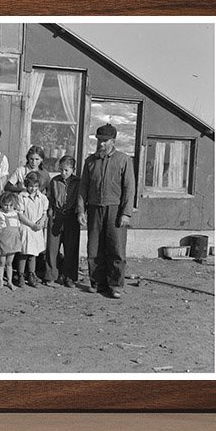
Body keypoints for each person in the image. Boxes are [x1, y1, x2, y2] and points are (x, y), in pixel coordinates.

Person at [78, 123, 136, 299]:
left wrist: (126, 213)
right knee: (94, 248)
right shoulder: (90, 161)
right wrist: (81, 210)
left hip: (115, 210)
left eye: (104, 141)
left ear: (113, 141)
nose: (101, 144)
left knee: (116, 248)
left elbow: (129, 188)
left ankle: (116, 285)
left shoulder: (123, 160)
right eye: (99, 140)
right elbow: (83, 187)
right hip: (95, 209)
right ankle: (97, 283)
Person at [46, 155, 80, 286]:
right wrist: (50, 210)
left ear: (73, 169)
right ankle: (51, 275)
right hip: (57, 215)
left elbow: (81, 199)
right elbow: (49, 198)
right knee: (52, 247)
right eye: (61, 170)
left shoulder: (78, 182)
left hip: (71, 216)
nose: (63, 173)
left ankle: (69, 276)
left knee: (71, 247)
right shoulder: (55, 181)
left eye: (66, 170)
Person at [16, 171, 49, 287]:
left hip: (37, 228)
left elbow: (45, 213)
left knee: (33, 254)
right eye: (30, 186)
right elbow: (20, 214)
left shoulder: (42, 198)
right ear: (26, 185)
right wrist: (31, 224)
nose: (33, 189)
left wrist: (41, 221)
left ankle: (31, 274)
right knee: (24, 253)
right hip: (26, 227)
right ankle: (20, 274)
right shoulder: (22, 197)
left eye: (36, 186)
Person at [0, 192, 23, 290]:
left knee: (9, 263)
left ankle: (9, 281)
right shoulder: (0, 213)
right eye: (6, 205)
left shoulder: (16, 213)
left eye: (10, 205)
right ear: (2, 204)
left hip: (13, 241)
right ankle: (1, 281)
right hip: (3, 241)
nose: (8, 207)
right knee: (1, 263)